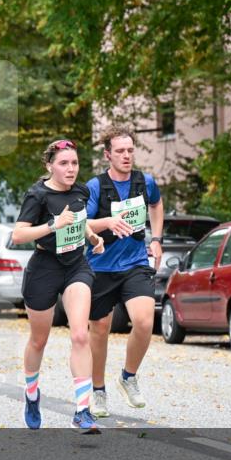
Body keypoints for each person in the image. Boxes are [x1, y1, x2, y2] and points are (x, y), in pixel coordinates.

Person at [13, 140, 106, 433]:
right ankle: (31, 394)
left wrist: (92, 236)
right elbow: (18, 235)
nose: (70, 169)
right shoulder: (37, 195)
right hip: (44, 267)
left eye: (74, 163)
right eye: (64, 163)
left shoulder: (82, 191)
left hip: (76, 265)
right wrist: (54, 225)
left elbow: (81, 220)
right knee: (39, 340)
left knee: (80, 334)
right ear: (49, 165)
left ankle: (82, 410)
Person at [85, 126, 164, 416]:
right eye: (120, 151)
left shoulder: (145, 182)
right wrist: (107, 222)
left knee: (143, 322)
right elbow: (82, 223)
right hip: (101, 266)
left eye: (130, 150)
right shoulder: (95, 186)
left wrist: (156, 239)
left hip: (135, 263)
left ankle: (128, 377)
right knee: (100, 330)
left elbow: (156, 204)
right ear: (108, 155)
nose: (126, 155)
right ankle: (98, 390)